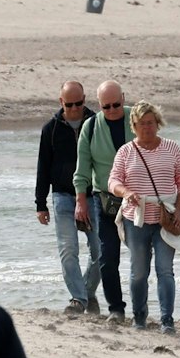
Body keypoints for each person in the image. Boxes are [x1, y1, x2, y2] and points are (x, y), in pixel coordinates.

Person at [107, 101, 180, 335]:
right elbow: (113, 181)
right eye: (142, 124)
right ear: (134, 125)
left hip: (166, 218)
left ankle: (167, 320)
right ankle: (139, 318)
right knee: (139, 272)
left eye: (151, 123)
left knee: (165, 270)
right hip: (137, 219)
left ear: (158, 123)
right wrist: (127, 193)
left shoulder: (172, 148)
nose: (147, 128)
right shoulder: (126, 151)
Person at [36, 81, 100, 314]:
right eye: (69, 104)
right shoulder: (50, 129)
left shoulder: (96, 124)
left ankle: (87, 292)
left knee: (100, 250)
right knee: (68, 249)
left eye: (79, 103)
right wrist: (40, 204)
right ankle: (79, 299)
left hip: (94, 195)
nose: (75, 108)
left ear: (85, 99)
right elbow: (43, 167)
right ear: (61, 102)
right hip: (62, 195)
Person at [73, 80, 129, 322]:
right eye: (106, 107)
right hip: (104, 199)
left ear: (124, 99)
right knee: (107, 257)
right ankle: (116, 309)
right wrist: (80, 200)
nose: (112, 110)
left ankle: (140, 310)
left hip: (137, 198)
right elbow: (82, 168)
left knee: (141, 257)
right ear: (99, 105)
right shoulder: (91, 126)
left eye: (116, 105)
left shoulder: (136, 118)